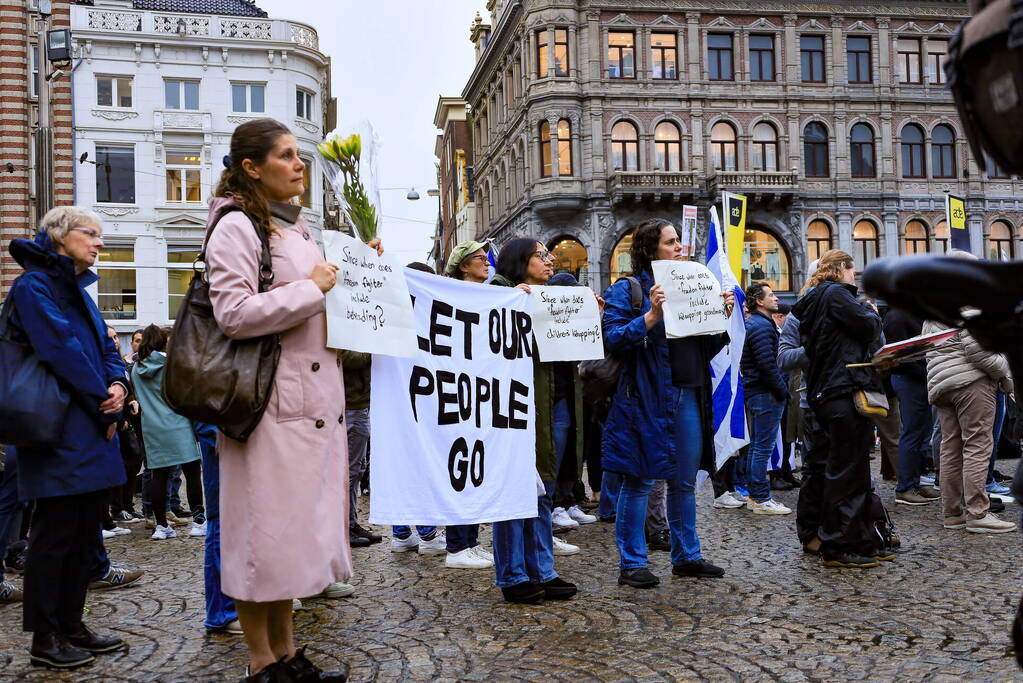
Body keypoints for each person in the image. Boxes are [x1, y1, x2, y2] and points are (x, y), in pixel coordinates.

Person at [205, 118, 362, 681]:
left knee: (291, 538)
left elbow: (315, 302)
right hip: (267, 406)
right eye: (287, 155)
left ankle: (288, 655)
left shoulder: (291, 227)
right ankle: (260, 662)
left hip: (309, 404)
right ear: (252, 167)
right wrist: (313, 288)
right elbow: (234, 314)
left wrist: (363, 277)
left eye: (300, 155)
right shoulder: (235, 227)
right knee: (262, 537)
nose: (300, 165)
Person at [7, 206, 128, 668]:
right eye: (90, 234)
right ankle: (45, 638)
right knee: (53, 535)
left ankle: (73, 625)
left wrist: (119, 386)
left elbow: (104, 347)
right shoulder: (34, 287)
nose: (99, 243)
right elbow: (62, 350)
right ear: (59, 236)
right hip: (56, 428)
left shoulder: (79, 291)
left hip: (91, 425)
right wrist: (104, 398)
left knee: (83, 533)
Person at [602, 218, 734, 589]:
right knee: (640, 478)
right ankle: (632, 562)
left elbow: (701, 347)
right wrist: (650, 317)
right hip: (646, 396)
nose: (679, 247)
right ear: (649, 250)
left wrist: (718, 319)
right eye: (671, 242)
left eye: (679, 241)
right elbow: (612, 338)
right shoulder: (628, 289)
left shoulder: (691, 283)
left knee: (684, 480)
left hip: (689, 390)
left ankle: (687, 556)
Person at [490, 237, 579, 603]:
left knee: (543, 486)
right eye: (541, 255)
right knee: (513, 490)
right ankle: (512, 575)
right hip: (513, 408)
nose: (551, 260)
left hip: (550, 401)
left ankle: (543, 569)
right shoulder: (498, 293)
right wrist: (510, 304)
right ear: (519, 261)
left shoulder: (544, 297)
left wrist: (585, 318)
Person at [790, 250, 887, 568]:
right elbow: (868, 327)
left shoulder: (815, 299)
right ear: (840, 269)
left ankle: (856, 539)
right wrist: (871, 312)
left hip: (826, 391)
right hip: (842, 389)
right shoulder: (836, 295)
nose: (854, 277)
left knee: (836, 467)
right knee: (847, 470)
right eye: (852, 270)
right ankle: (840, 543)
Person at [922, 251, 1015, 534]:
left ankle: (952, 513)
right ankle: (978, 513)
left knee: (951, 448)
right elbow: (979, 349)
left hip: (943, 384)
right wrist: (1006, 376)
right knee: (977, 445)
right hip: (971, 382)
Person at [130, 324, 206, 540]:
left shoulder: (136, 368)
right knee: (192, 472)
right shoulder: (171, 365)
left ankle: (161, 525)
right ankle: (199, 521)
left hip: (152, 426)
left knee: (158, 475)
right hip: (178, 423)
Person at [740, 282, 791, 514]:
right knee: (762, 447)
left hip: (759, 392)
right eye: (771, 295)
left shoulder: (758, 323)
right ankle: (760, 498)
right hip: (765, 393)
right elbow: (767, 365)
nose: (776, 299)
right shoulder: (760, 326)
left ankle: (755, 495)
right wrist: (782, 390)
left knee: (758, 446)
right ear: (760, 301)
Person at [883, 307, 940, 505]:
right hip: (910, 379)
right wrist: (925, 373)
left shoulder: (909, 313)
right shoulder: (897, 315)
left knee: (922, 434)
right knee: (913, 433)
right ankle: (905, 487)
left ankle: (916, 482)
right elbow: (900, 356)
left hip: (917, 378)